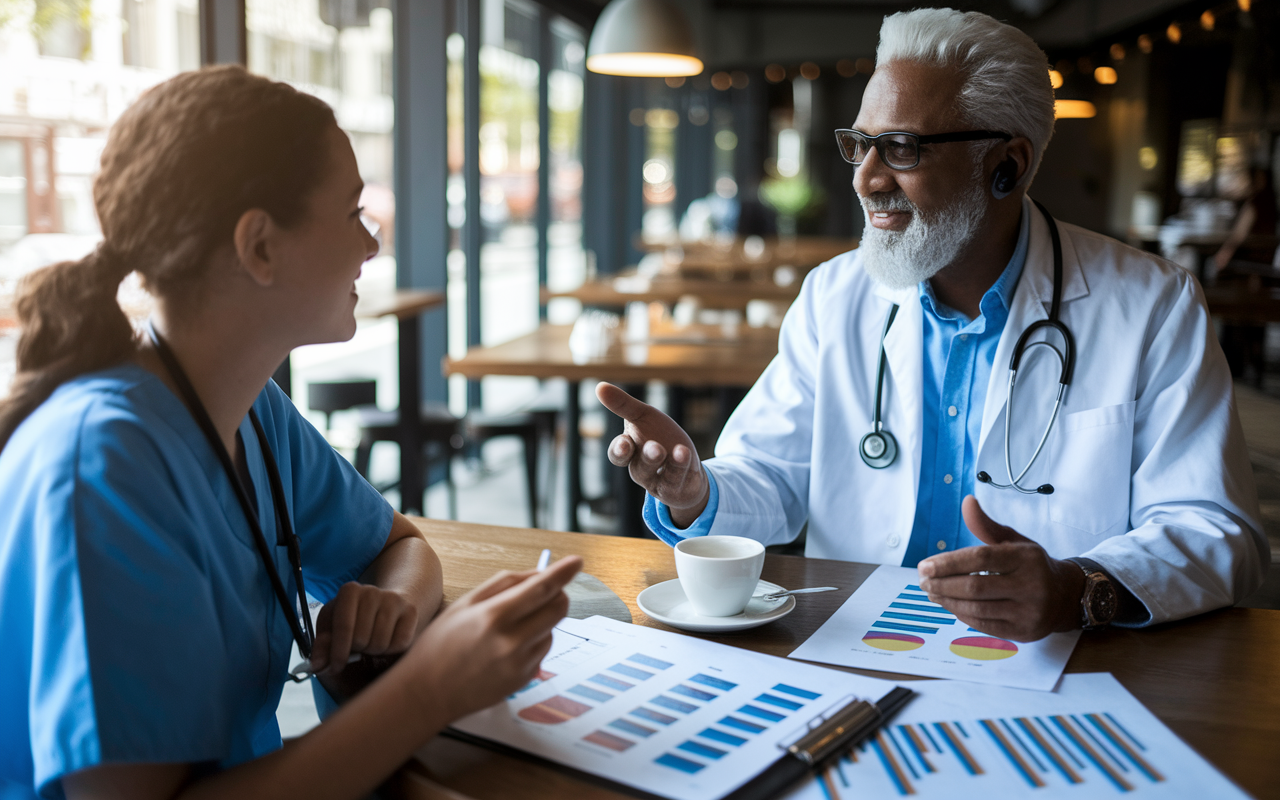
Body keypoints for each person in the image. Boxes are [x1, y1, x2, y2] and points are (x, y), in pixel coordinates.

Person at [0, 66, 581, 800]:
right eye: (351, 214)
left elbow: (396, 545)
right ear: (260, 247)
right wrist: (429, 688)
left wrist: (391, 605)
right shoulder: (103, 467)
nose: (371, 245)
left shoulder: (245, 407)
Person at [599, 8, 1268, 643]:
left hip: (1063, 664)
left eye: (900, 149)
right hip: (853, 649)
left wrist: (1079, 587)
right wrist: (697, 490)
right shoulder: (834, 296)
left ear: (1007, 164)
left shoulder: (1154, 306)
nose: (865, 179)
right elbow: (775, 475)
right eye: (860, 145)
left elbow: (1215, 531)